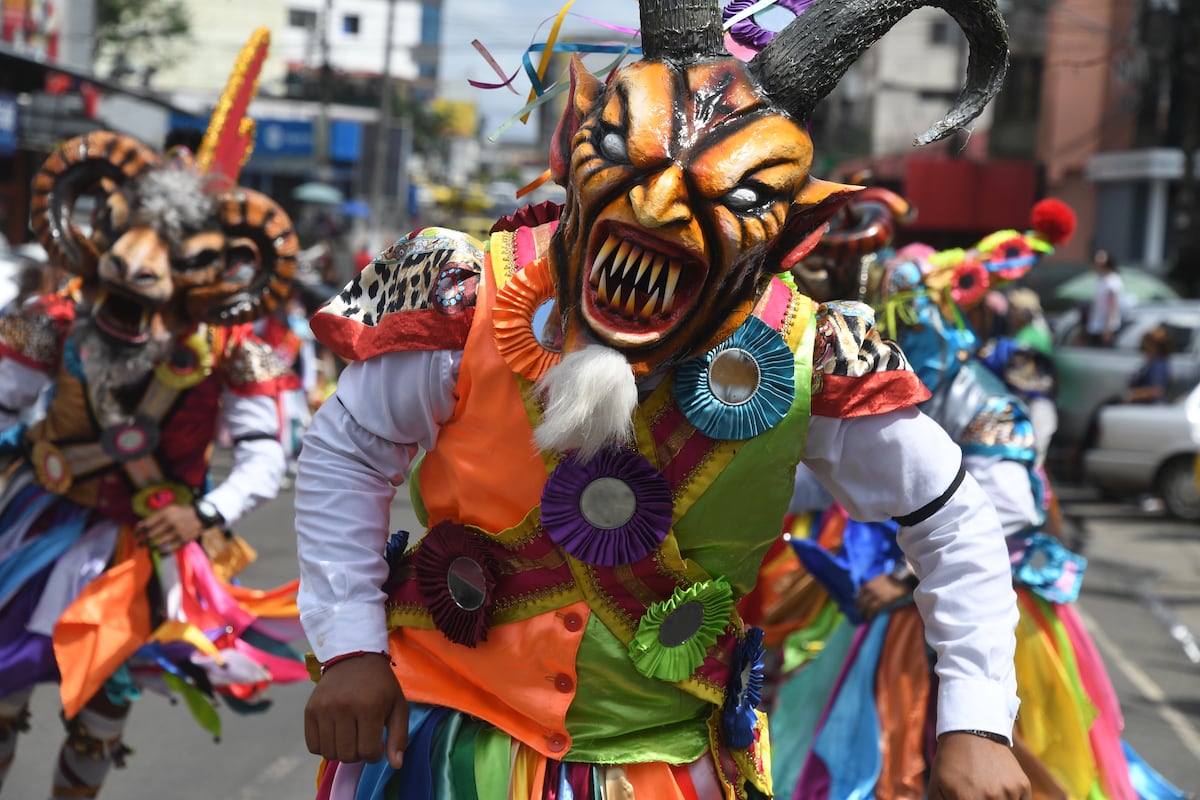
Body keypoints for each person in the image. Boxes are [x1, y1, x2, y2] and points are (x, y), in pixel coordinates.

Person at [295, 1, 1028, 798]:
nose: (656, 207)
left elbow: (952, 519)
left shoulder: (812, 356)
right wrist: (350, 647)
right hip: (447, 746)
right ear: (573, 142)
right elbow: (348, 449)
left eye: (741, 196)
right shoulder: (474, 296)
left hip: (664, 765)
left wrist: (976, 721)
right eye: (623, 157)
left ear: (796, 229)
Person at [0, 30, 309, 798]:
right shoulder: (57, 318)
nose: (136, 268)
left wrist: (203, 512)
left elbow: (265, 456)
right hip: (35, 522)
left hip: (144, 545)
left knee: (102, 713)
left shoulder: (235, 349)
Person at [1122, 325, 1173, 404]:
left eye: (1147, 343)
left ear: (1154, 345)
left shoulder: (1159, 365)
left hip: (1150, 407)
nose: (1144, 346)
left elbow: (1156, 390)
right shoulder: (1151, 362)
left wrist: (1133, 395)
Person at [1086, 248, 1124, 346]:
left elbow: (1113, 305)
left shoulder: (1113, 280)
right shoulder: (1102, 280)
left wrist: (1109, 327)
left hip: (1105, 328)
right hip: (1096, 325)